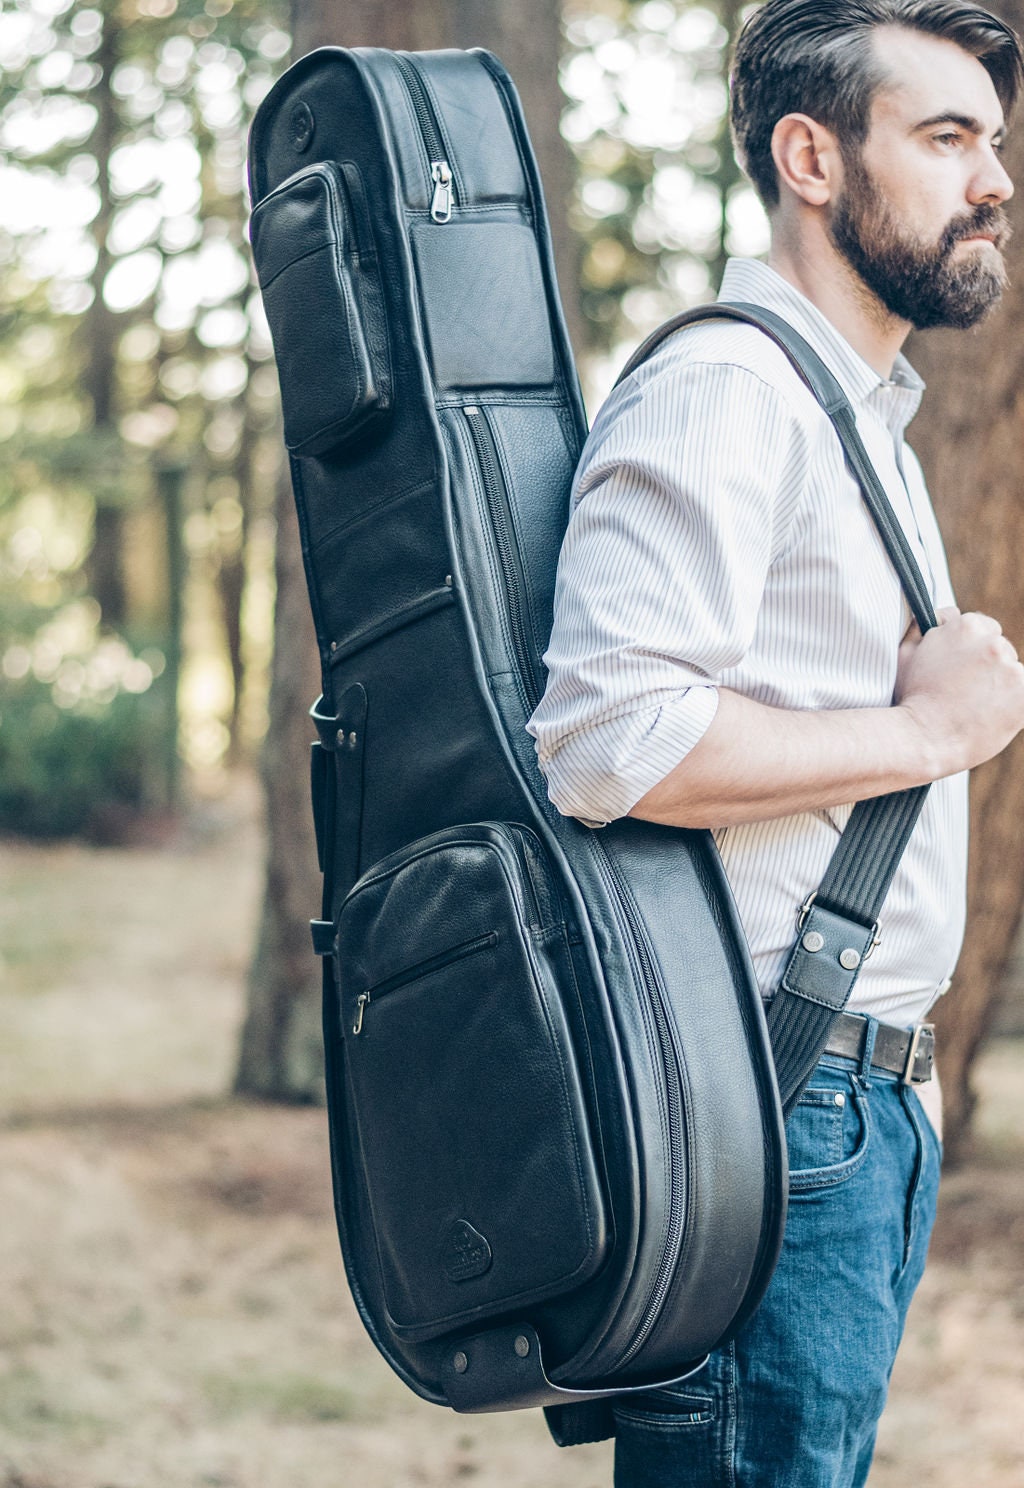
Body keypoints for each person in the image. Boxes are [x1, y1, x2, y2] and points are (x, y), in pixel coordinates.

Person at [526, 2, 1024, 1484]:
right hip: (779, 1099)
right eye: (946, 138)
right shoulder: (730, 391)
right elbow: (612, 735)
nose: (993, 178)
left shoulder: (850, 411)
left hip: (858, 1113)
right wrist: (928, 728)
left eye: (994, 144)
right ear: (811, 156)